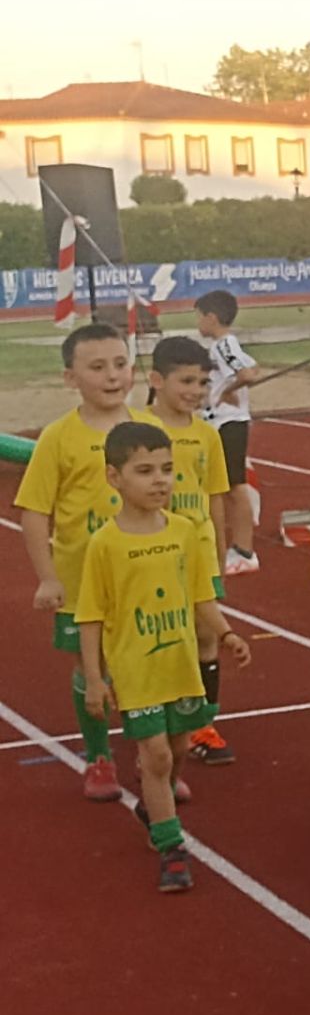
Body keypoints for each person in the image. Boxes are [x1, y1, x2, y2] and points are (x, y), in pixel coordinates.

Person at [76, 421, 251, 892]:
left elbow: (201, 598)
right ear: (115, 478)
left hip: (180, 664)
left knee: (176, 751)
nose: (160, 480)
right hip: (137, 672)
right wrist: (95, 678)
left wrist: (227, 634)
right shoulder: (105, 545)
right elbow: (90, 616)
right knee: (153, 755)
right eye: (145, 470)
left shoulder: (183, 532)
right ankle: (172, 847)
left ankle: (155, 804)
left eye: (168, 470)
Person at [15, 323, 138, 801]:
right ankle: (100, 754)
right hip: (82, 579)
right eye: (97, 367)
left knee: (141, 662)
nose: (112, 376)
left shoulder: (146, 429)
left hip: (141, 573)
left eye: (121, 364)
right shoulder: (57, 438)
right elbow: (34, 512)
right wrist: (47, 577)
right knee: (94, 669)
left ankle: (153, 752)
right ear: (71, 378)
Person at [134, 336, 236, 768]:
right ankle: (152, 715)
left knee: (207, 635)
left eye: (202, 381)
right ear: (157, 380)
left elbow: (215, 497)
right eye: (186, 381)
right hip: (153, 553)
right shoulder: (136, 428)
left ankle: (203, 724)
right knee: (158, 634)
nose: (195, 390)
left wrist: (220, 547)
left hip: (199, 552)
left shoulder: (206, 435)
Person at [194, 289, 262, 578]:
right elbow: (252, 366)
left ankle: (244, 551)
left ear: (211, 317)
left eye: (199, 317)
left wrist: (226, 393)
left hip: (228, 423)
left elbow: (247, 375)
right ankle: (234, 546)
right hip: (224, 422)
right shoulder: (226, 345)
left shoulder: (223, 346)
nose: (197, 323)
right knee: (226, 486)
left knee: (234, 487)